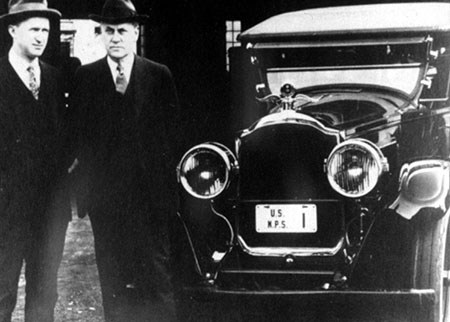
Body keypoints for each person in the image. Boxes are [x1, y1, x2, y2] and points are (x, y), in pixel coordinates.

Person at [70, 0, 179, 321]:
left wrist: (161, 182)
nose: (115, 37)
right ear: (101, 35)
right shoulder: (85, 78)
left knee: (156, 278)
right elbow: (78, 138)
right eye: (108, 31)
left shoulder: (158, 76)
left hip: (151, 201)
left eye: (121, 31)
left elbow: (174, 135)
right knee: (113, 280)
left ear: (135, 32)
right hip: (107, 202)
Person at [0, 0, 71, 321]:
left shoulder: (55, 79)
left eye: (46, 30)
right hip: (6, 212)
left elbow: (63, 142)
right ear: (13, 30)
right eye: (34, 29)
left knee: (44, 292)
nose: (42, 37)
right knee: (2, 291)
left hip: (49, 213)